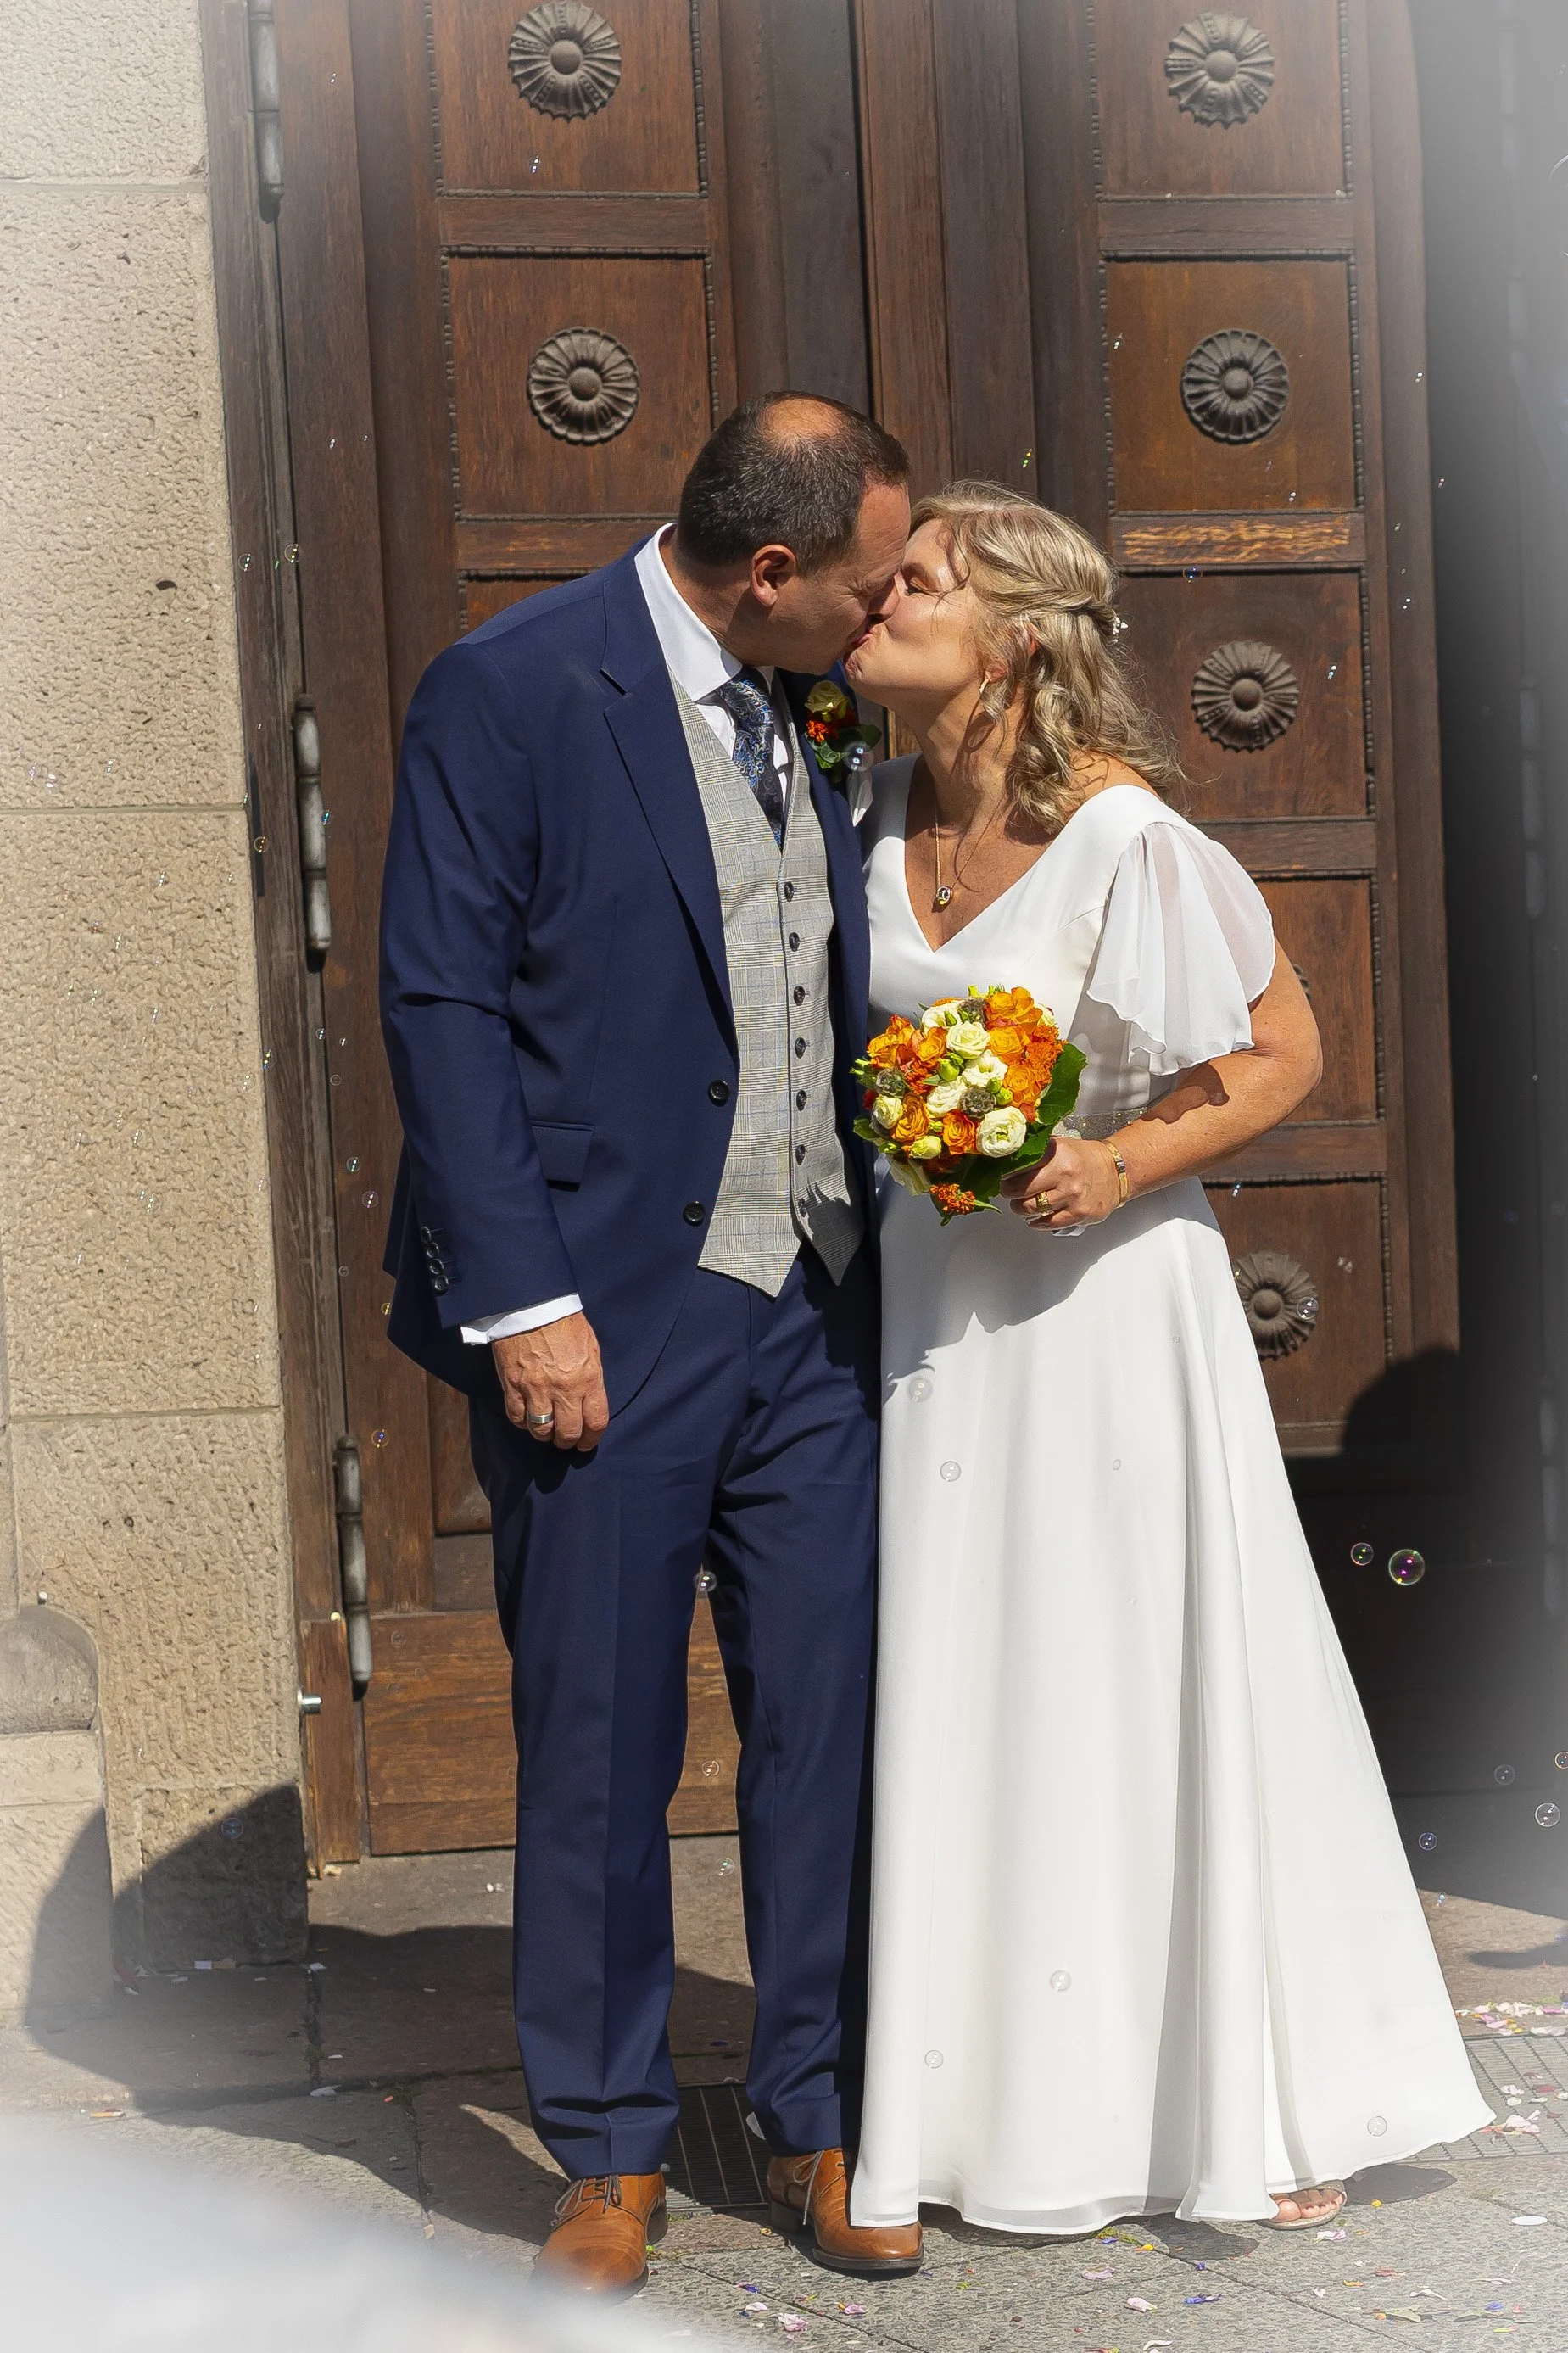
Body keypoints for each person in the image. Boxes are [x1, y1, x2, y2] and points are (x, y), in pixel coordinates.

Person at [842, 484, 1491, 2237]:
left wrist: (1113, 1162)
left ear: (1017, 644)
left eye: (916, 583)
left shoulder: (1129, 840)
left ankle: (1251, 2083)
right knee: (976, 1669)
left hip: (1108, 1306)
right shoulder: (862, 808)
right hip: (935, 1305)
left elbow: (1284, 1050)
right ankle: (989, 2099)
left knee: (1139, 1660)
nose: (873, 599)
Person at [378, 396, 924, 2293]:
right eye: (863, 590)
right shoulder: (514, 685)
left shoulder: (832, 699)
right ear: (768, 572)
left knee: (833, 1723)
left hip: (821, 1304)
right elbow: (440, 999)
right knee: (600, 1735)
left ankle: (823, 2106)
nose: (882, 623)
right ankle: (606, 2149)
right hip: (606, 1308)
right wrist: (522, 1303)